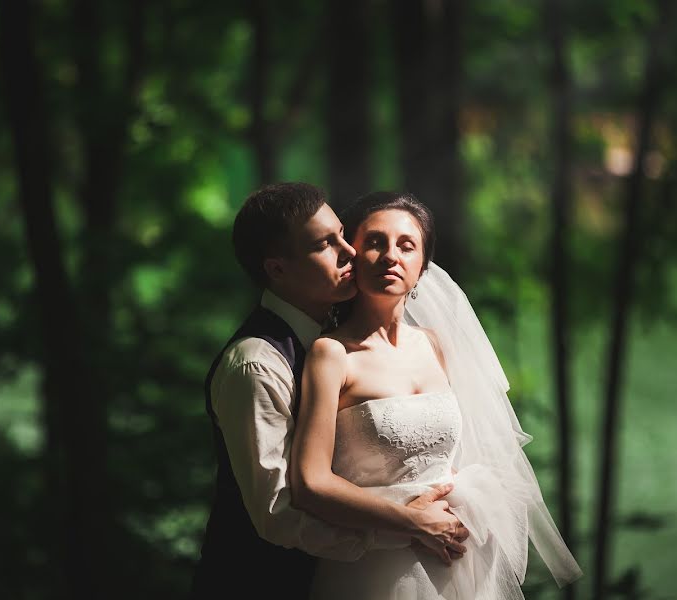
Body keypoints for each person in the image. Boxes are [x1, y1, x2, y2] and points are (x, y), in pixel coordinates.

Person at [291, 191, 583, 599]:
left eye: (406, 245)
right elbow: (310, 482)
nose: (391, 255)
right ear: (352, 255)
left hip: (455, 556)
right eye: (374, 242)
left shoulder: (437, 344)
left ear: (422, 266)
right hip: (376, 567)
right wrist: (413, 522)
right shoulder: (333, 354)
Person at [190, 183, 470, 600]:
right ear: (277, 269)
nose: (350, 252)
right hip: (260, 584)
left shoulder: (337, 339)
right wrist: (405, 527)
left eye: (343, 235)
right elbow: (277, 513)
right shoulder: (256, 363)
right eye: (326, 244)